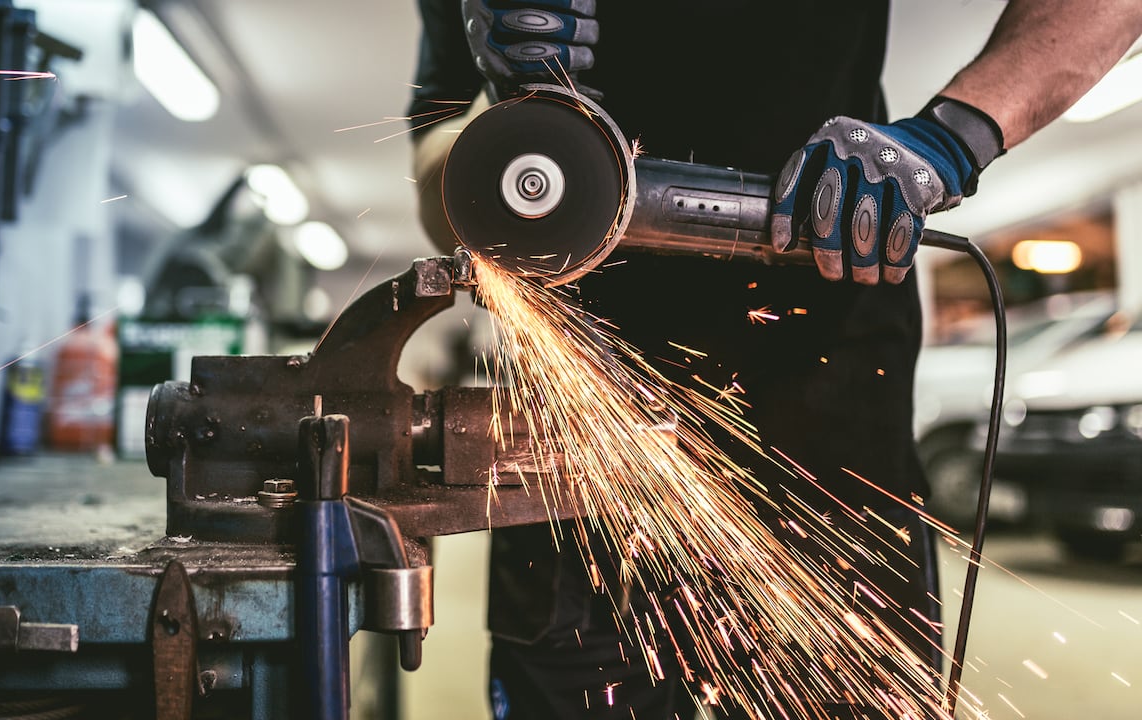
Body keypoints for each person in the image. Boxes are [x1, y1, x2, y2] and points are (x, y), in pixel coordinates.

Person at [407, 2, 1142, 718]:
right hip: (572, 427)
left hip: (823, 386)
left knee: (845, 683)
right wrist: (496, 139)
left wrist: (950, 135)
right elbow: (433, 159)